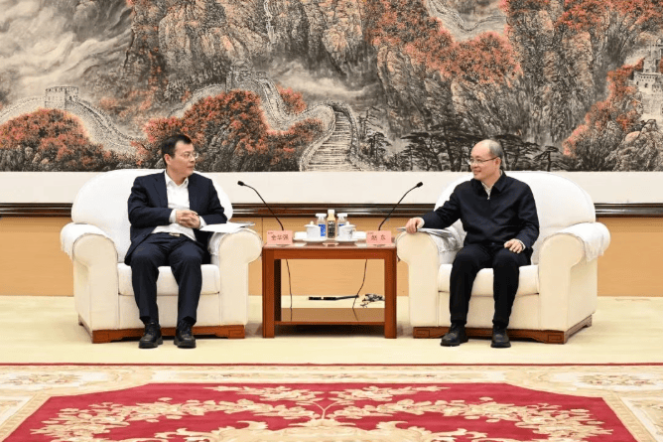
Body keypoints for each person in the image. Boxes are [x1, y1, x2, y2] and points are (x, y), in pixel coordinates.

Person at [405, 139, 539, 348]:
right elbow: (443, 215)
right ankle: (457, 327)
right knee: (463, 259)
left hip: (509, 246)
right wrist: (421, 221)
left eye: (479, 160)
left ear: (496, 162)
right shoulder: (463, 190)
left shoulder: (520, 190)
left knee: (505, 261)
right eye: (472, 160)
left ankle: (500, 328)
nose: (474, 165)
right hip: (479, 246)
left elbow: (531, 225)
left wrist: (521, 240)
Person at [125, 134, 227, 349]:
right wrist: (173, 216)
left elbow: (219, 216)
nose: (193, 159)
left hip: (186, 239)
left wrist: (200, 221)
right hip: (153, 238)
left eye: (193, 155)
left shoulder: (204, 185)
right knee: (142, 258)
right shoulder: (145, 183)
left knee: (190, 259)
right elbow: (136, 214)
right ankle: (151, 327)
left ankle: (185, 327)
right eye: (186, 155)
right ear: (168, 158)